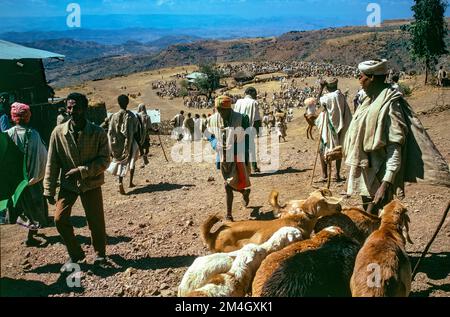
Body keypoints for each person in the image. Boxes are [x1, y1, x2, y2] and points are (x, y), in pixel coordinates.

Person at [343, 59, 450, 215]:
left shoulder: (391, 103)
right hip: (368, 168)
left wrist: (385, 184)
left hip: (382, 172)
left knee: (382, 222)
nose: (359, 79)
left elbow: (395, 146)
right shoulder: (367, 100)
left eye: (361, 76)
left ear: (372, 77)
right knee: (369, 217)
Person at [43, 93, 110, 270]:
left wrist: (82, 171)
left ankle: (100, 254)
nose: (72, 111)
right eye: (69, 107)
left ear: (85, 109)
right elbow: (52, 162)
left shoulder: (98, 133)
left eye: (76, 107)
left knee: (95, 221)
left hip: (91, 183)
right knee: (59, 219)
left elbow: (105, 160)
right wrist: (48, 189)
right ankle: (76, 253)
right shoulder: (58, 133)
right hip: (68, 185)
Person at [6, 102, 48, 246]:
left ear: (13, 117)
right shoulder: (34, 135)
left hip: (14, 182)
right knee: (34, 208)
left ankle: (29, 232)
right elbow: (43, 156)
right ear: (27, 117)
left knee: (20, 207)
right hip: (32, 180)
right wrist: (39, 175)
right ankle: (31, 236)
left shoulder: (7, 135)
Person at [206, 95, 251, 222]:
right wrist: (215, 143)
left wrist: (246, 154)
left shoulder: (241, 118)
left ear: (229, 108)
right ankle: (243, 192)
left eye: (223, 110)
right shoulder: (212, 120)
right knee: (230, 183)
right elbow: (209, 135)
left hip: (237, 155)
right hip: (223, 157)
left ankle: (229, 214)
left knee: (228, 185)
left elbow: (247, 136)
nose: (221, 112)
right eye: (218, 109)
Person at [316, 77, 352, 183]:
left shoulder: (327, 97)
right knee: (338, 149)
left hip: (328, 127)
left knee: (322, 149)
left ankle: (324, 175)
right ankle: (337, 174)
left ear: (327, 86)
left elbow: (318, 102)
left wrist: (321, 88)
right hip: (340, 126)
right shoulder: (340, 95)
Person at [107, 95, 140, 195]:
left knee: (120, 163)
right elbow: (135, 129)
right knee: (132, 161)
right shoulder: (131, 116)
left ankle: (120, 182)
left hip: (117, 144)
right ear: (127, 103)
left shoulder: (113, 116)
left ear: (118, 103)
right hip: (129, 143)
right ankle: (130, 181)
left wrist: (111, 146)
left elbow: (110, 132)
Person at [234, 87, 262, 173]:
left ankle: (239, 168)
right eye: (255, 93)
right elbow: (256, 120)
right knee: (251, 149)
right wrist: (258, 132)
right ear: (251, 93)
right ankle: (253, 167)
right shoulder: (254, 103)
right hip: (249, 128)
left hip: (237, 128)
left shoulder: (238, 102)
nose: (256, 95)